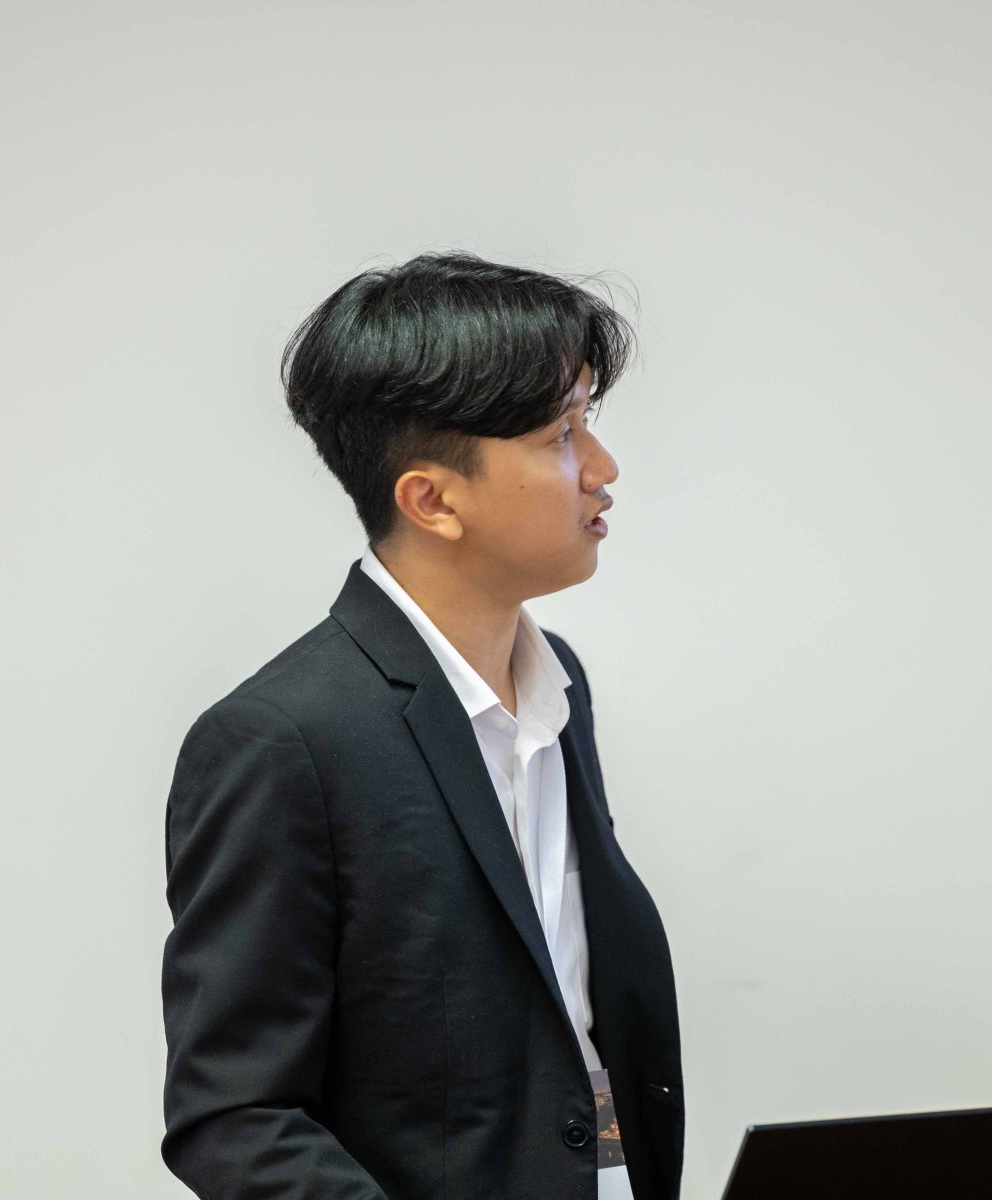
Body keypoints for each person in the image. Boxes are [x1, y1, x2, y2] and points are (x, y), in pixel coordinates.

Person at [160, 250, 683, 1200]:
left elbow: (568, 1023)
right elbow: (234, 1118)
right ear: (433, 499)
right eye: (563, 434)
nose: (603, 471)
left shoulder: (560, 684)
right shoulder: (282, 741)